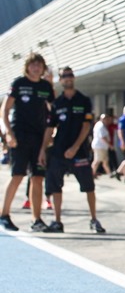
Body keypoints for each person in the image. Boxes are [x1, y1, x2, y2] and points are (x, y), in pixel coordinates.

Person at [44, 66, 105, 233]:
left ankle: (94, 219)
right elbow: (50, 128)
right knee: (55, 186)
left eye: (70, 75)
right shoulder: (57, 103)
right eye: (64, 76)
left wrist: (75, 147)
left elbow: (86, 126)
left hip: (80, 152)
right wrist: (43, 149)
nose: (68, 78)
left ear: (74, 77)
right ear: (60, 80)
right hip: (59, 151)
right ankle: (57, 221)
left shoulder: (83, 100)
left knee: (89, 186)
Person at [1, 53, 54, 232]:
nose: (36, 68)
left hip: (39, 138)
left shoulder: (46, 87)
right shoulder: (19, 83)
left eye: (39, 65)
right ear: (27, 67)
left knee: (38, 178)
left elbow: (53, 109)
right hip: (20, 136)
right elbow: (5, 109)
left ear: (43, 68)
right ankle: (4, 215)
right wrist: (9, 133)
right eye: (33, 65)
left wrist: (50, 136)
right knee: (17, 175)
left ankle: (36, 219)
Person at [91, 113, 113, 177]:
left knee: (105, 161)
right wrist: (110, 145)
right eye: (105, 119)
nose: (106, 120)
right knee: (97, 161)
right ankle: (91, 174)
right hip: (100, 146)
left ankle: (109, 174)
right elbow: (103, 137)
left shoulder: (102, 125)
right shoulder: (100, 126)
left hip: (102, 146)